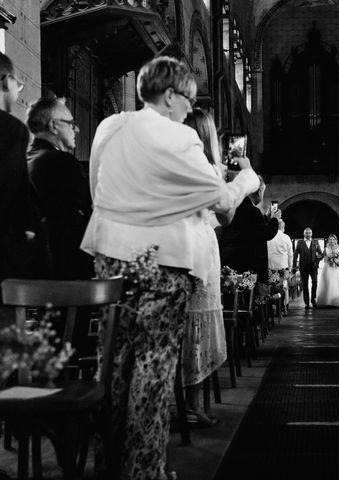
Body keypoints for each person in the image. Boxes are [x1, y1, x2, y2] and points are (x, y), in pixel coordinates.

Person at [80, 56, 259, 480]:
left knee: (116, 363)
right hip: (160, 261)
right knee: (154, 366)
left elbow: (95, 187)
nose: (188, 110)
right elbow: (222, 202)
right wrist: (247, 181)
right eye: (188, 100)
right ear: (170, 95)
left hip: (109, 255)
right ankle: (146, 470)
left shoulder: (110, 126)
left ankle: (111, 465)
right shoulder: (181, 140)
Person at [180, 108, 229, 424]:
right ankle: (196, 406)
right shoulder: (208, 167)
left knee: (184, 323)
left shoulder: (174, 161)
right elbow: (226, 214)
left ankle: (182, 402)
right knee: (196, 322)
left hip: (176, 245)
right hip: (200, 246)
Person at [26, 97, 93, 280]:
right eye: (71, 123)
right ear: (54, 126)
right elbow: (92, 207)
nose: (76, 129)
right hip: (65, 270)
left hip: (35, 266)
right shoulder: (61, 162)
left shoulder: (27, 159)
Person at [0, 52, 45, 289]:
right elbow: (11, 190)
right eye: (18, 84)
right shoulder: (11, 129)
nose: (18, 91)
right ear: (6, 81)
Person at [218, 175, 280, 285]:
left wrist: (265, 217)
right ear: (259, 191)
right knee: (246, 298)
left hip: (229, 261)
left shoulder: (236, 207)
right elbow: (266, 233)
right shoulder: (252, 211)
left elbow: (252, 230)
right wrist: (275, 220)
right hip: (246, 263)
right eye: (263, 191)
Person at [292, 227, 323, 310]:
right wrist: (294, 266)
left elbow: (320, 254)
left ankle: (313, 299)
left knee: (315, 282)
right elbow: (295, 255)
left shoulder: (315, 242)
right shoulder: (300, 242)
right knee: (305, 285)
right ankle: (307, 303)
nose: (308, 234)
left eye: (309, 232)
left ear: (312, 234)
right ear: (304, 234)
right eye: (306, 232)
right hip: (303, 267)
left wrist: (316, 262)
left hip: (313, 267)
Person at [267, 219, 294, 314]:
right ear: (282, 227)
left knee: (271, 288)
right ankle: (283, 309)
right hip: (282, 267)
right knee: (283, 288)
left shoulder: (269, 236)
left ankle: (272, 307)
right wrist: (290, 268)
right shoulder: (286, 237)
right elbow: (290, 254)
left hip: (270, 267)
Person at [315, 234, 339, 307]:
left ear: (336, 240)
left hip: (337, 268)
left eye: (333, 239)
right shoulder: (326, 248)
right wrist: (327, 259)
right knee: (328, 282)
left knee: (337, 283)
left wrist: (337, 261)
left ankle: (336, 301)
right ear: (328, 240)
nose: (332, 241)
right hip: (328, 267)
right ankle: (327, 301)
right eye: (330, 239)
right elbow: (323, 258)